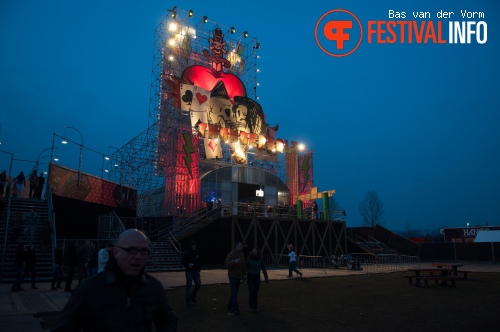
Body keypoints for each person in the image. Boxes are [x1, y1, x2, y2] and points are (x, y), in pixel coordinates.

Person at [51, 228, 178, 332]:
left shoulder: (153, 287)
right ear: (116, 252)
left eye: (144, 251)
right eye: (132, 250)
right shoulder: (90, 289)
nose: (138, 257)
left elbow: (168, 321)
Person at [224, 241, 247, 315]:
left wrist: (245, 274)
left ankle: (229, 305)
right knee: (234, 292)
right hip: (232, 276)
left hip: (238, 276)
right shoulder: (231, 254)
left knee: (235, 292)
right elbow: (226, 264)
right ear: (236, 246)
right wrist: (234, 261)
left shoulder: (242, 254)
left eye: (241, 246)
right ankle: (235, 309)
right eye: (240, 246)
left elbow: (244, 264)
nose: (241, 247)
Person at [246, 246, 268, 312]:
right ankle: (251, 306)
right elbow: (246, 267)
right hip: (250, 276)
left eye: (255, 250)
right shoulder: (249, 258)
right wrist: (244, 275)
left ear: (257, 252)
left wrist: (266, 277)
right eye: (253, 250)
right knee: (251, 291)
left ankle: (255, 306)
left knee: (256, 292)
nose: (254, 252)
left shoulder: (260, 258)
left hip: (257, 277)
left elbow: (263, 267)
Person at [181, 240, 202, 306]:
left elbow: (200, 261)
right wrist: (188, 265)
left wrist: (199, 268)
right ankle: (188, 301)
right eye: (193, 245)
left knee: (198, 284)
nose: (194, 246)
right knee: (188, 286)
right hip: (189, 271)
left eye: (195, 245)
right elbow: (183, 261)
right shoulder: (187, 253)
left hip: (196, 271)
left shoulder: (197, 252)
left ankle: (193, 295)